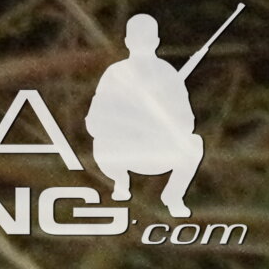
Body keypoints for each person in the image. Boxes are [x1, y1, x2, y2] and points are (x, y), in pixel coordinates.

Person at [87, 14, 205, 217]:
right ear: (127, 42)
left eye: (147, 40)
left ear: (156, 42)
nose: (142, 45)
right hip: (121, 151)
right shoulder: (115, 73)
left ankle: (173, 196)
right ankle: (120, 183)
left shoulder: (168, 74)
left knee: (194, 144)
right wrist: (124, 123)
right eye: (137, 39)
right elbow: (94, 120)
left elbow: (187, 121)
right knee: (100, 144)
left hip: (157, 149)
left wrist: (164, 122)